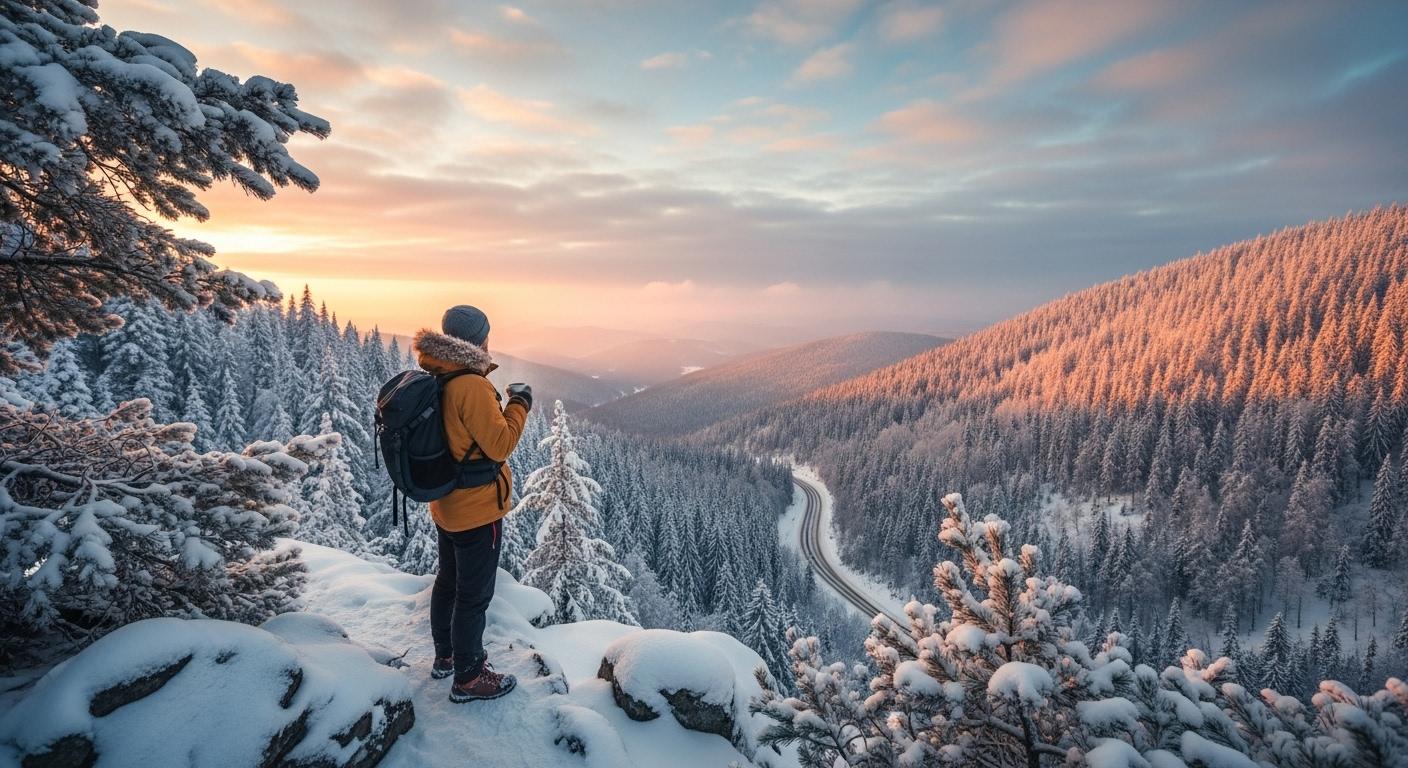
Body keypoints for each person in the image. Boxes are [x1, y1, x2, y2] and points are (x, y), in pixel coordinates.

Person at [412, 305, 532, 702]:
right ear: (479, 340)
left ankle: (445, 657)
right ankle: (468, 677)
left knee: (448, 581)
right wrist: (520, 406)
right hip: (478, 510)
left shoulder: (437, 372)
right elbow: (500, 444)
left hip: (446, 504)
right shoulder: (471, 385)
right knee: (474, 595)